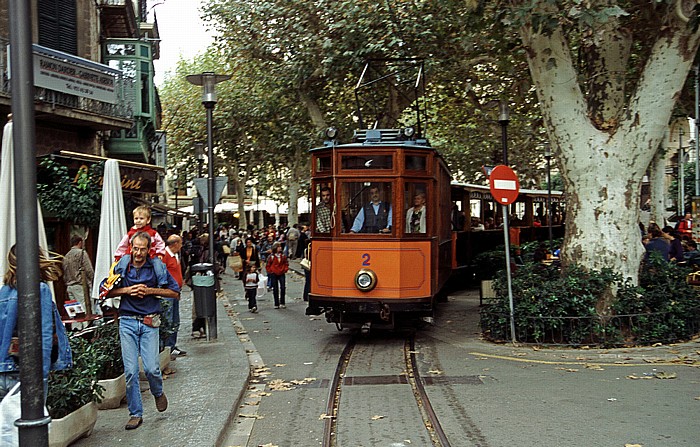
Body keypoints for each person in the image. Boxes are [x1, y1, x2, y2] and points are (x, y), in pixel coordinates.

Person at [101, 232, 180, 430]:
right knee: (130, 371)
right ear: (130, 247)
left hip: (149, 322)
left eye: (142, 249)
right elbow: (104, 291)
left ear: (148, 249)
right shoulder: (122, 265)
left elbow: (174, 292)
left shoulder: (157, 267)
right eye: (135, 248)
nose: (138, 253)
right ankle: (135, 413)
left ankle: (158, 392)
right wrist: (127, 290)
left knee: (152, 368)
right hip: (127, 321)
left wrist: (149, 290)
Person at [0, 246, 72, 400]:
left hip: (3, 370)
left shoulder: (3, 292)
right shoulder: (40, 290)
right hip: (27, 373)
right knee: (35, 422)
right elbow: (44, 336)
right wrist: (42, 375)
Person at [163, 234, 186, 358]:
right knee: (169, 319)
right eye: (180, 243)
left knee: (175, 319)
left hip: (175, 292)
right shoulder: (165, 256)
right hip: (169, 292)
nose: (181, 246)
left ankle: (172, 345)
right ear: (175, 244)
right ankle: (168, 346)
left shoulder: (175, 255)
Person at [62, 234, 95, 314]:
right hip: (80, 286)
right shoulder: (82, 253)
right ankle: (87, 326)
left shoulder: (66, 256)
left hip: (69, 286)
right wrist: (93, 280)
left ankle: (76, 327)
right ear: (80, 242)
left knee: (74, 311)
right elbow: (89, 269)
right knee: (85, 310)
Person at [266, 243, 289, 309]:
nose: (280, 248)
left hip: (281, 273)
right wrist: (270, 271)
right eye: (278, 247)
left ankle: (282, 302)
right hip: (274, 273)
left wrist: (285, 269)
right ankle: (276, 303)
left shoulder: (283, 256)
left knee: (283, 287)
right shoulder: (271, 256)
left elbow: (286, 263)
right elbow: (268, 264)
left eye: (280, 247)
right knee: (275, 288)